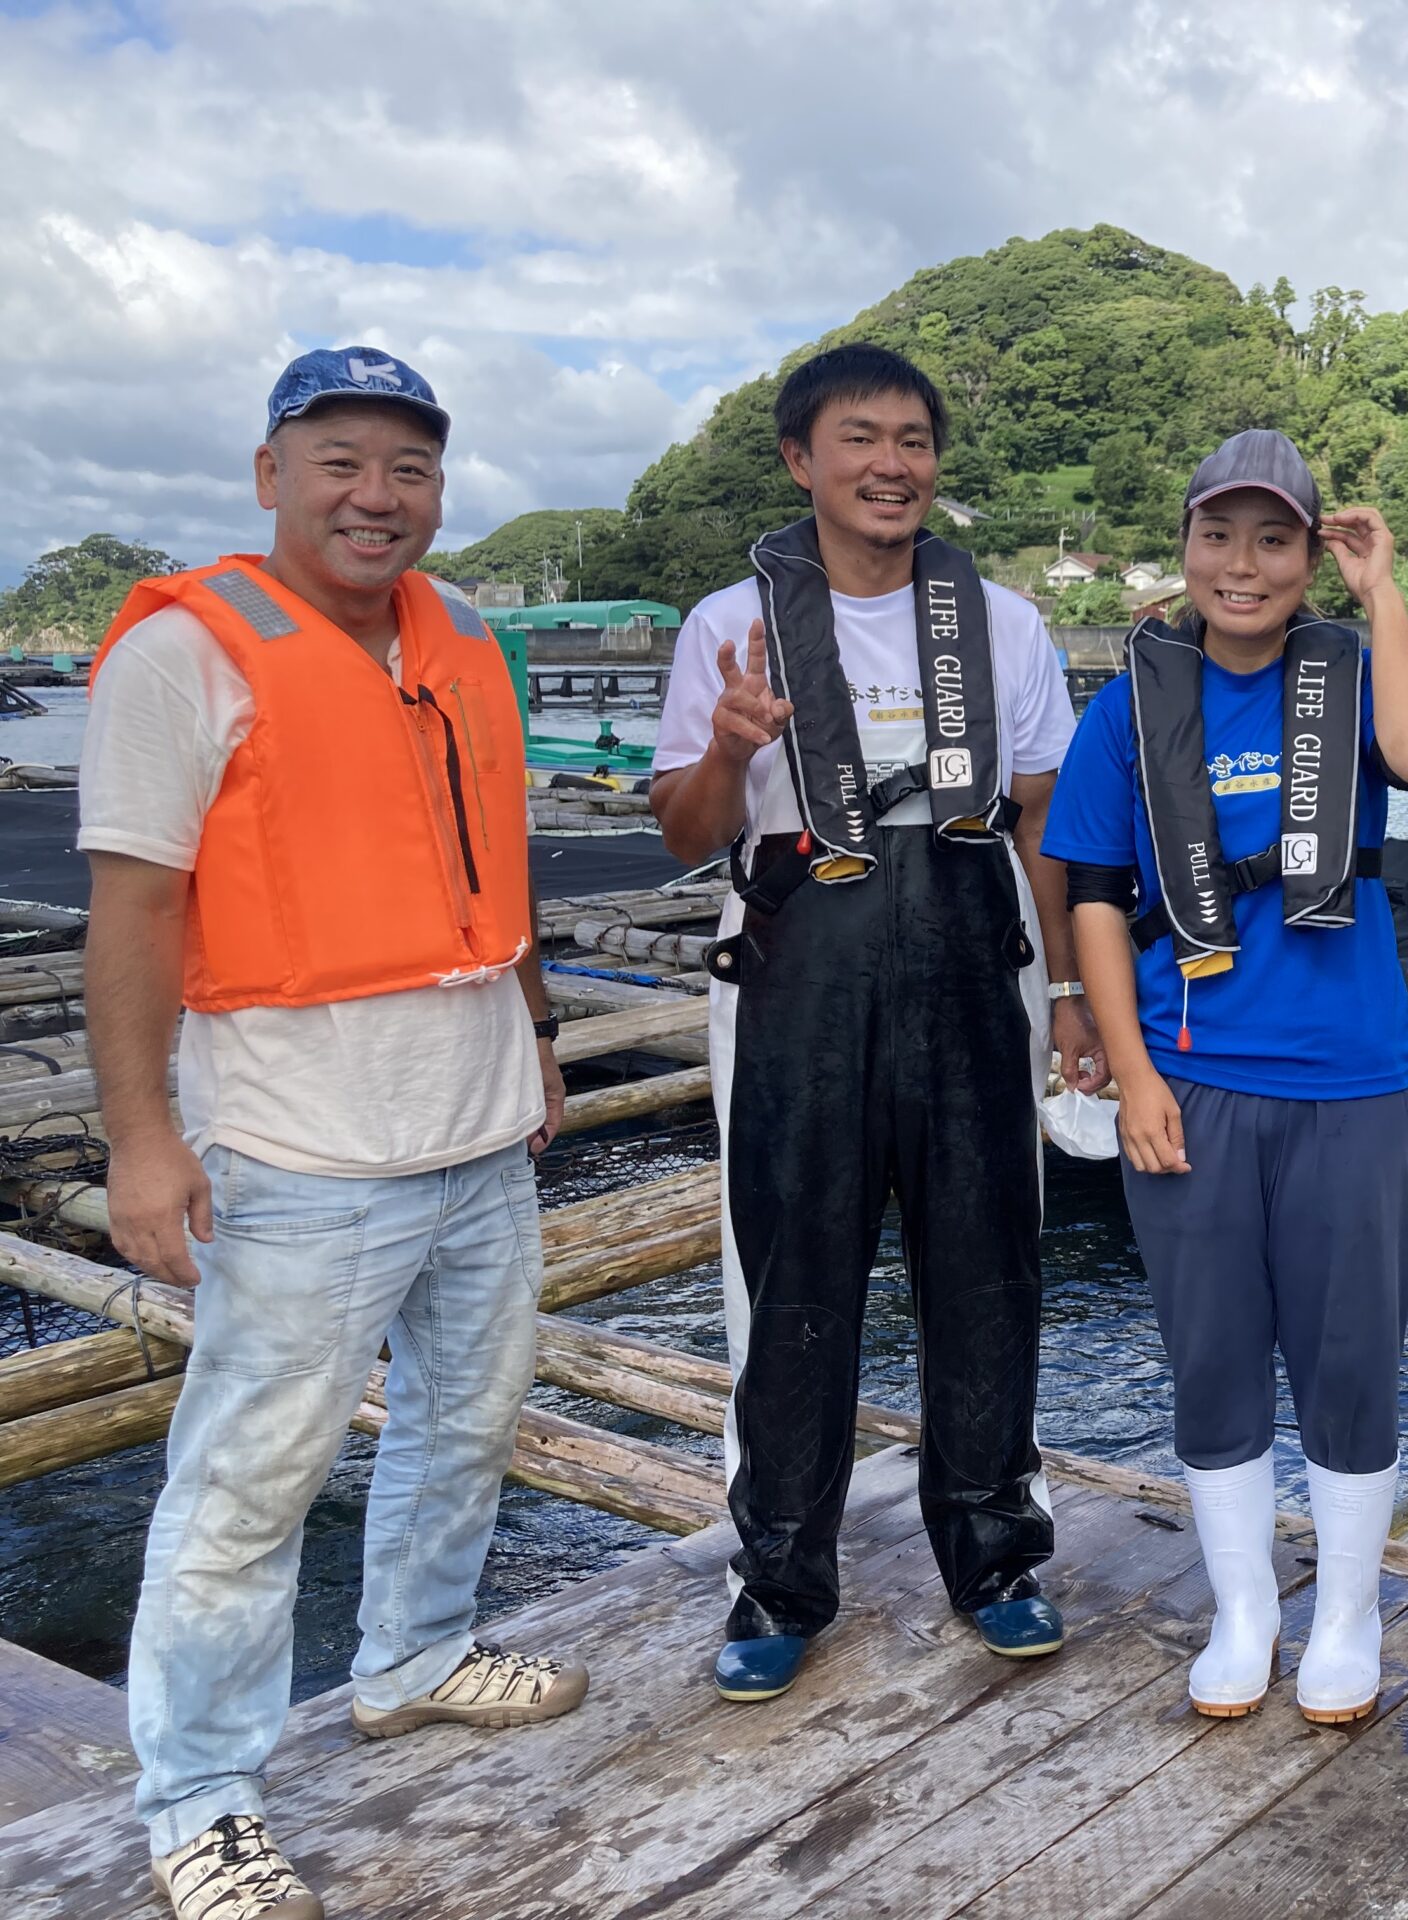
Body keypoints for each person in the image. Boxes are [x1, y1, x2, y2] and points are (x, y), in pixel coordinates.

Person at [86, 348, 583, 1920]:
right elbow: (136, 907)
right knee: (250, 1481)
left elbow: (487, 871)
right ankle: (201, 1796)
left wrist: (545, 1045)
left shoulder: (464, 644)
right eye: (343, 461)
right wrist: (141, 1140)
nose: (379, 496)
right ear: (270, 475)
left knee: (471, 1414)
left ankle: (415, 1655)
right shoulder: (187, 657)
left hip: (480, 1123)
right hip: (300, 1148)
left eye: (411, 468)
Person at [649, 343, 1105, 1702]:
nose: (890, 464)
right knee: (792, 1283)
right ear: (800, 458)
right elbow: (684, 835)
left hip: (977, 970)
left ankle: (997, 1554)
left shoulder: (1007, 625)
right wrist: (732, 745)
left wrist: (1072, 994)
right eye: (860, 438)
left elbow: (1043, 824)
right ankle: (779, 1579)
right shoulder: (729, 623)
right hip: (799, 970)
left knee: (989, 1269)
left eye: (912, 439)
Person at [1043, 430, 1408, 1721]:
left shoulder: (1346, 667)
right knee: (1212, 1354)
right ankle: (1240, 1610)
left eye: (1274, 538)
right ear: (1184, 549)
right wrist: (1133, 1065)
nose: (1243, 563)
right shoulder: (1134, 704)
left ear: (1310, 554)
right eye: (1218, 535)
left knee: (1350, 1358)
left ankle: (1344, 1612)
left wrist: (1382, 591)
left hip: (1350, 1077)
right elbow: (1099, 900)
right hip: (1194, 1074)